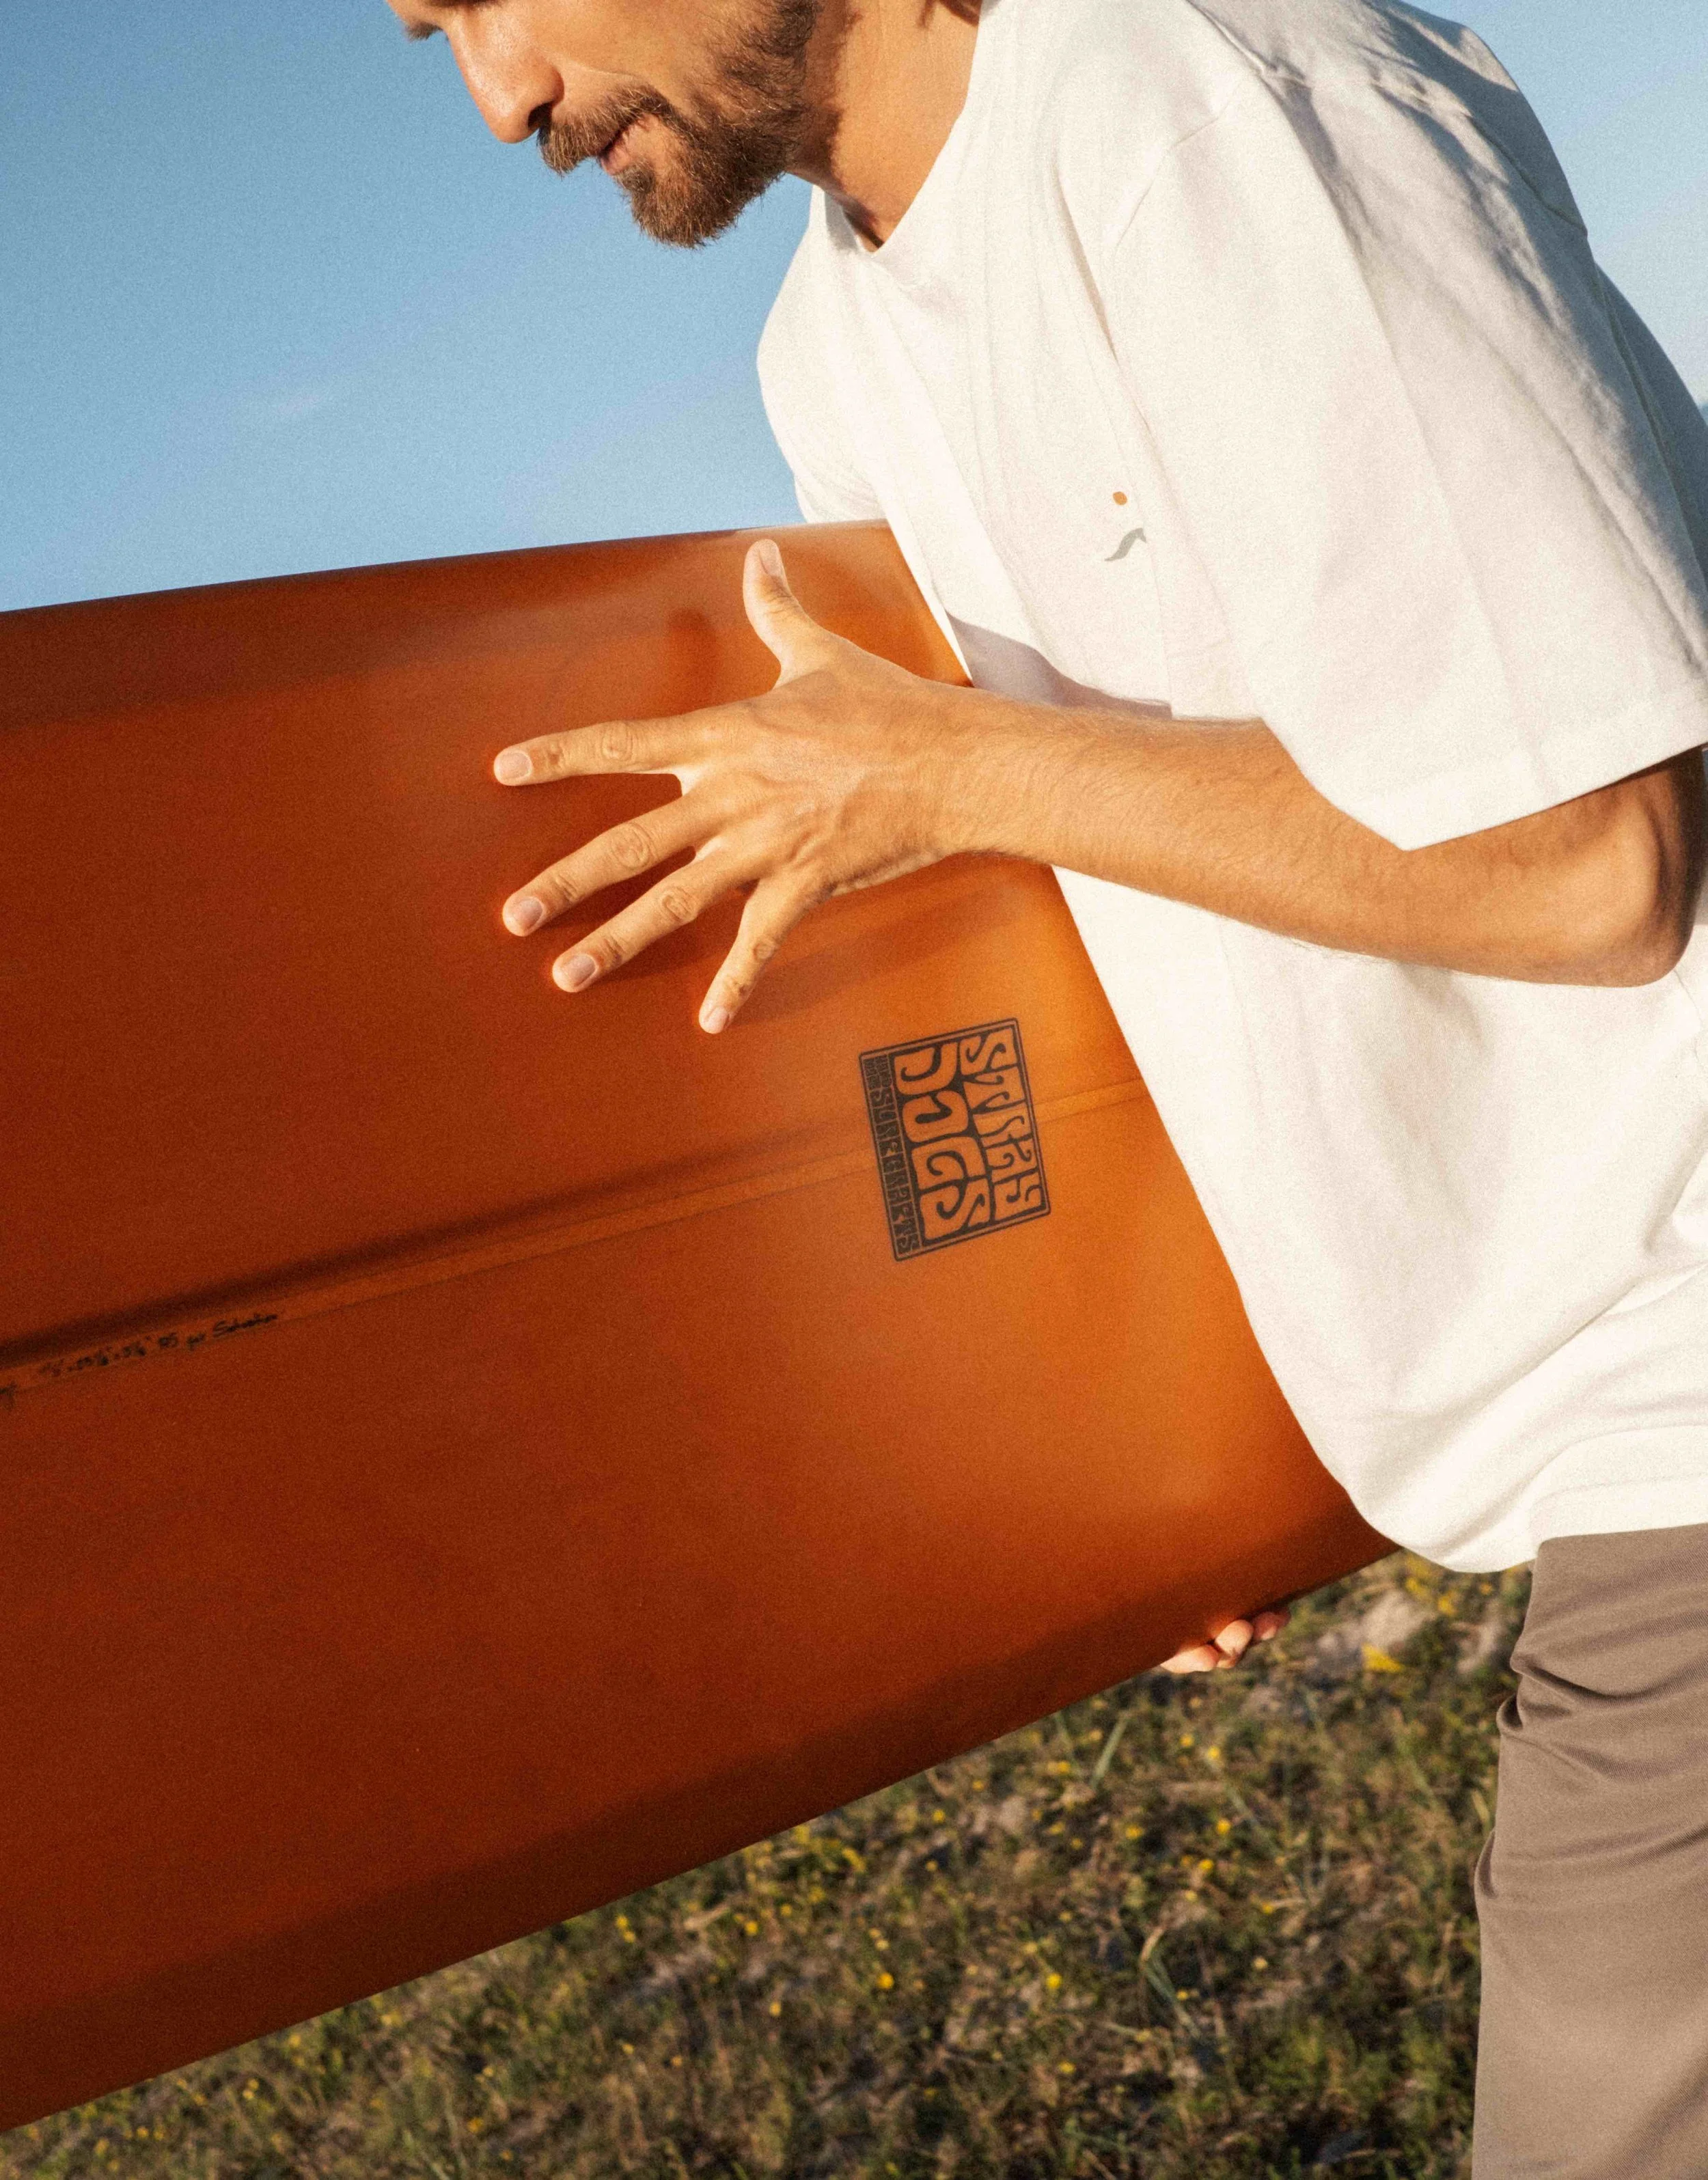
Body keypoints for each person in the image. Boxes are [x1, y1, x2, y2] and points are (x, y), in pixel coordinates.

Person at [389, 0, 1708, 2168]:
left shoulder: (1201, 90)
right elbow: (1155, 893)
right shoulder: (831, 350)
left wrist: (948, 763)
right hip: (1572, 1457)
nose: (501, 95)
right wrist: (1168, 1456)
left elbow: (1591, 852)